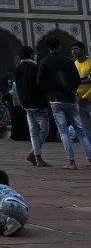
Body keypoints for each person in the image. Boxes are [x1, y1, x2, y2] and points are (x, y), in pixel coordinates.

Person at [37, 36, 91, 169]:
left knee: (64, 132)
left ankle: (72, 162)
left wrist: (50, 92)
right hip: (71, 100)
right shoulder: (69, 61)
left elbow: (40, 82)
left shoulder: (45, 62)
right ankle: (90, 159)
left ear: (48, 48)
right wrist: (71, 92)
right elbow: (77, 80)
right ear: (59, 46)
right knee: (81, 131)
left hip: (56, 100)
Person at [14, 46, 51, 167]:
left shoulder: (18, 68)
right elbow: (42, 84)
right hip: (38, 103)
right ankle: (35, 155)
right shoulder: (35, 67)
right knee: (44, 130)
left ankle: (36, 156)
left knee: (33, 131)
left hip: (25, 103)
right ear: (31, 55)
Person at [71, 41, 91, 142]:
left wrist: (86, 97)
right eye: (72, 49)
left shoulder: (90, 62)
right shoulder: (74, 65)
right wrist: (77, 97)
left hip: (89, 100)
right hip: (79, 101)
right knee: (86, 131)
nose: (73, 51)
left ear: (83, 49)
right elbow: (72, 83)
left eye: (76, 48)